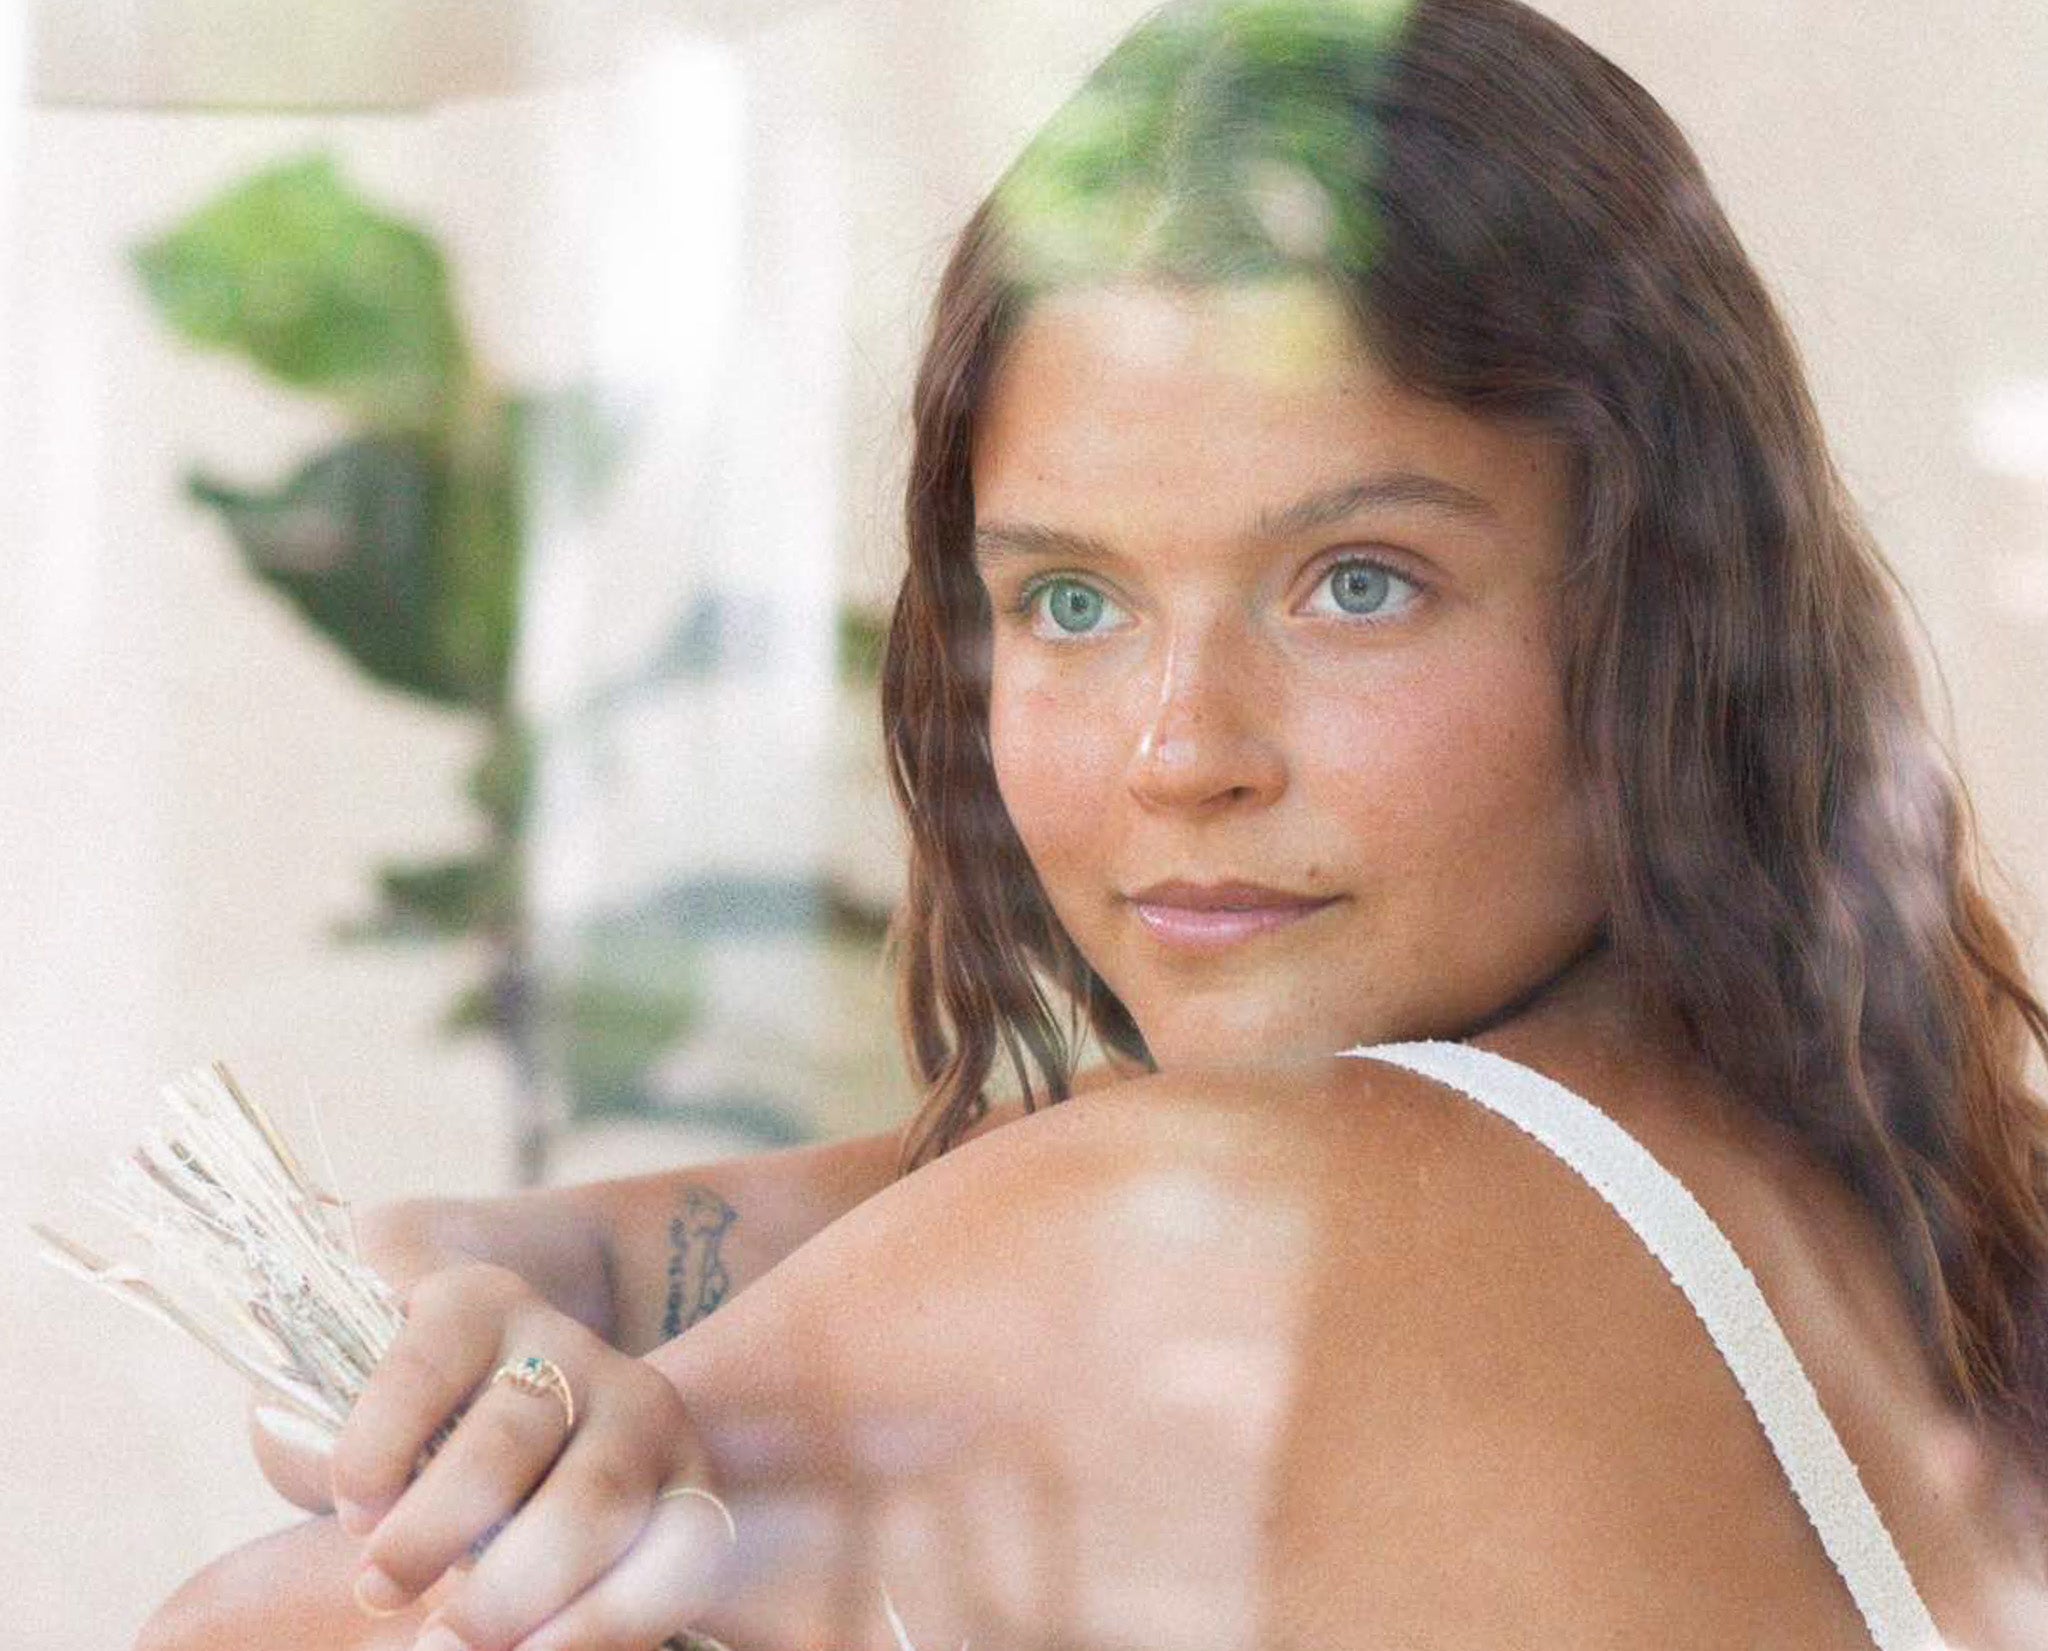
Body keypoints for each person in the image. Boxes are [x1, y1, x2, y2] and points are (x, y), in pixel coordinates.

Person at [140, 0, 2048, 1647]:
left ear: (1659, 615)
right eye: (1070, 601)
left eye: (1356, 582)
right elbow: (565, 1247)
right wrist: (460, 1309)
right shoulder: (1832, 1157)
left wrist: (441, 1395)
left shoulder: (1235, 1242)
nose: (1179, 752)